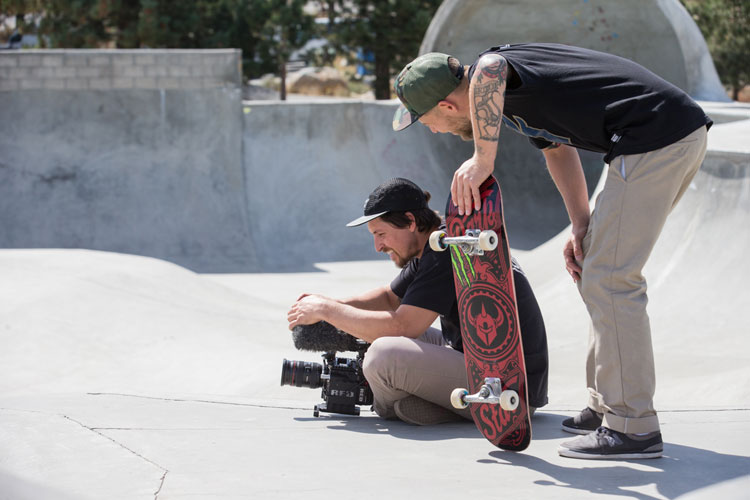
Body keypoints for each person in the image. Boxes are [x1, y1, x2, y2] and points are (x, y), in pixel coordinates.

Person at [392, 43, 711, 459]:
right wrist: (581, 224)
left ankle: (633, 426)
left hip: (652, 139)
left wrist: (482, 159)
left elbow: (488, 67)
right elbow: (559, 150)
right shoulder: (523, 97)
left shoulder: (494, 73)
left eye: (428, 122)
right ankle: (604, 405)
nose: (434, 131)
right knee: (594, 269)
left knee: (611, 280)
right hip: (661, 136)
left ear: (447, 105)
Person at [287, 177, 549, 426]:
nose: (378, 246)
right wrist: (328, 303)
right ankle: (438, 405)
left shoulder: (446, 250)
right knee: (378, 338)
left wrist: (327, 310)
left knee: (381, 357)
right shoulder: (437, 243)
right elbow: (390, 298)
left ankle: (421, 404)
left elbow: (403, 326)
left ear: (410, 221)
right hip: (479, 360)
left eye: (381, 234)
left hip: (508, 389)